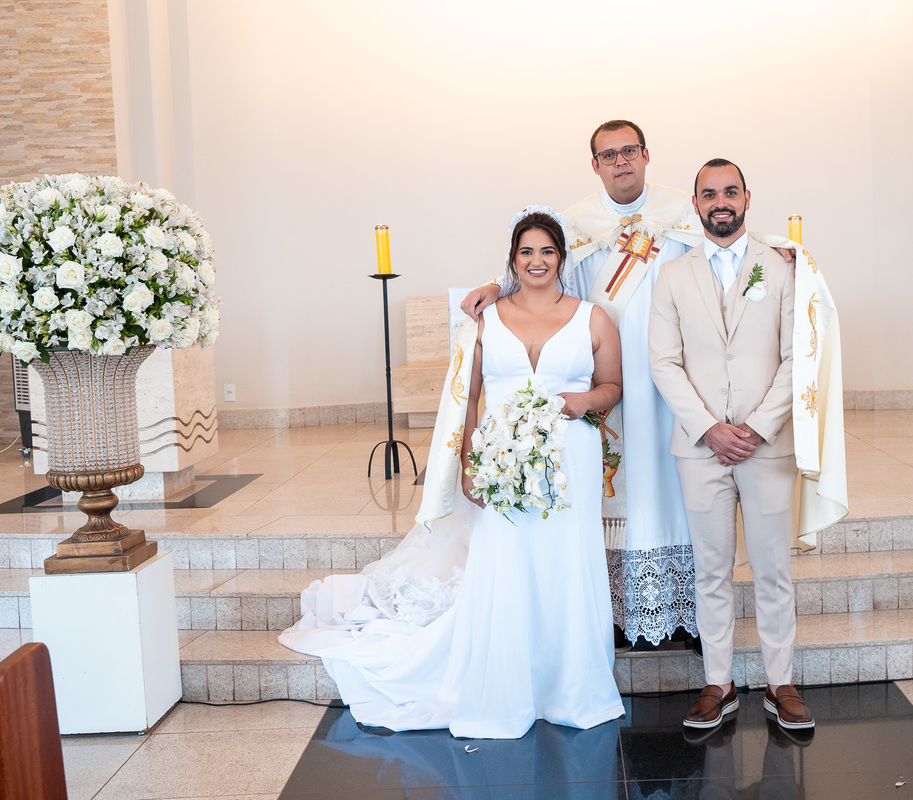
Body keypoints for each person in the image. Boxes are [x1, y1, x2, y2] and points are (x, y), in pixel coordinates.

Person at [280, 208, 626, 739]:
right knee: (506, 562)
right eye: (526, 251)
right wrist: (468, 464)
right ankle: (508, 681)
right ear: (512, 259)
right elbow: (468, 399)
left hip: (568, 461)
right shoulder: (486, 318)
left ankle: (569, 684)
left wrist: (582, 401)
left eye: (547, 251)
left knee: (567, 560)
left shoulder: (592, 318)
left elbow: (612, 387)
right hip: (501, 459)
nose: (537, 261)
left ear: (562, 258)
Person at [462, 120, 703, 647]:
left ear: (646, 155)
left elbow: (731, 245)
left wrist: (782, 250)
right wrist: (494, 286)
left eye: (629, 151)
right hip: (601, 374)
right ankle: (614, 612)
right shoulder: (576, 224)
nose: (621, 161)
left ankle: (681, 610)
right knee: (614, 494)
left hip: (670, 377)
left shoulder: (683, 215)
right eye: (608, 155)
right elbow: (536, 266)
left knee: (668, 487)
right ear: (595, 165)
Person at [649, 159, 812, 733]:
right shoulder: (673, 275)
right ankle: (718, 683)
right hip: (700, 449)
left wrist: (759, 426)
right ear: (695, 204)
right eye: (709, 193)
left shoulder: (783, 267)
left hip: (767, 445)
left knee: (773, 569)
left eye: (730, 192)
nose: (720, 201)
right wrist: (709, 428)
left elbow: (797, 356)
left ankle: (780, 681)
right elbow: (663, 362)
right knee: (711, 569)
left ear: (746, 198)